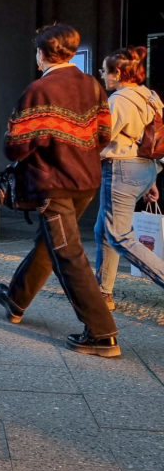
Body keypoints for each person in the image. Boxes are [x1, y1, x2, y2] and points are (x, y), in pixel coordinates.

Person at [0, 23, 120, 357]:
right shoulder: (92, 85)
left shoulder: (40, 90)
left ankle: (102, 333)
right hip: (86, 181)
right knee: (53, 242)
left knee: (68, 255)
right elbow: (104, 134)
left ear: (42, 54)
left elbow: (17, 146)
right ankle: (17, 298)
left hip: (54, 183)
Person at [93, 46, 164, 309]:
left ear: (119, 72)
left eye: (104, 70)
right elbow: (151, 141)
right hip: (145, 169)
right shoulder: (152, 97)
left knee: (120, 236)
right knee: (104, 230)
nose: (102, 75)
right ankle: (102, 293)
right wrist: (151, 180)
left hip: (122, 170)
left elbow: (102, 139)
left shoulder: (119, 101)